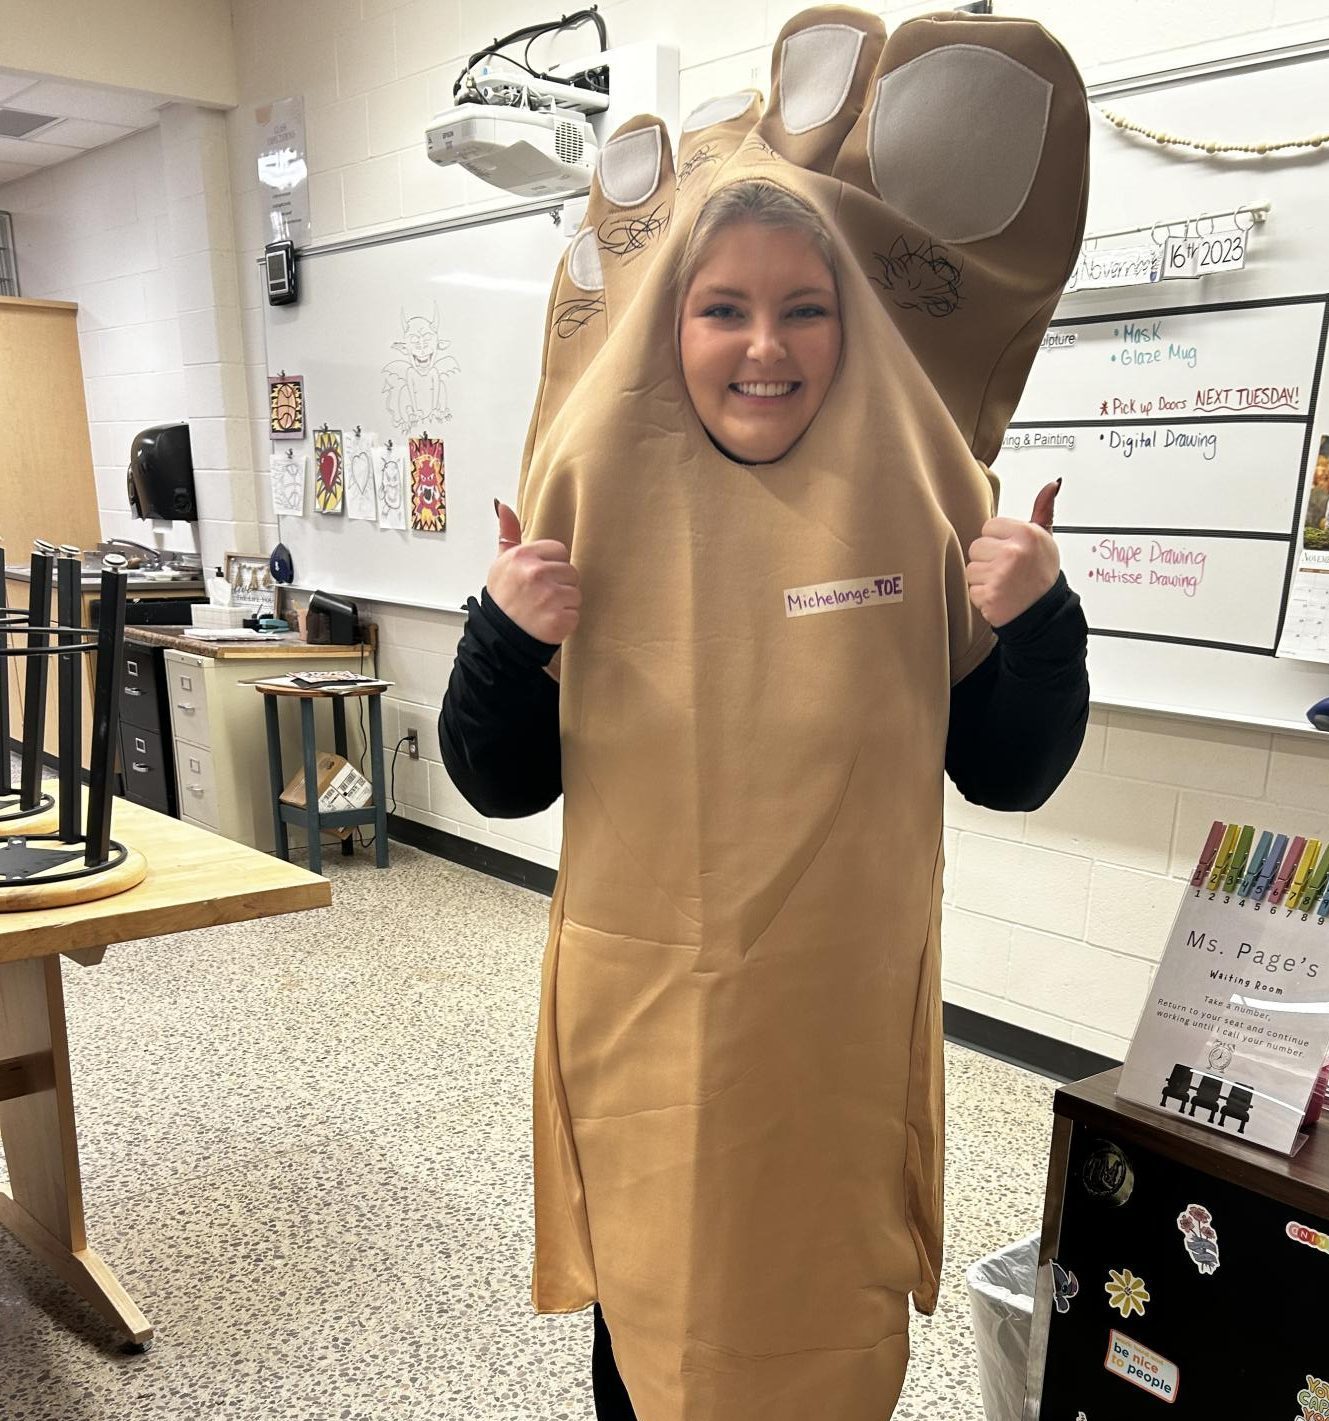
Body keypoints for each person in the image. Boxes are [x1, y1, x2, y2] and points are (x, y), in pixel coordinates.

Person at [441, 11, 1089, 1419]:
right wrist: (504, 634)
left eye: (803, 307)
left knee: (822, 1316)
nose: (762, 346)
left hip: (833, 1039)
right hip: (649, 1024)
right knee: (653, 1315)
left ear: (846, 326)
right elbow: (494, 786)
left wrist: (1035, 617)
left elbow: (1007, 771)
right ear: (670, 319)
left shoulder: (922, 514)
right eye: (720, 306)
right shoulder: (588, 527)